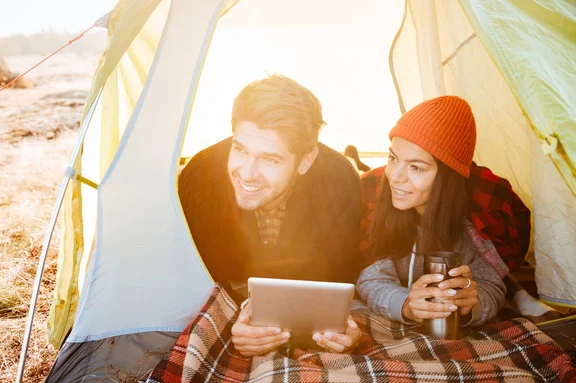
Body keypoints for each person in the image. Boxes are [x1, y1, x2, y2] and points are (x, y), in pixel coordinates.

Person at [178, 75, 363, 355]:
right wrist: (234, 319)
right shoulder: (199, 178)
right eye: (240, 149)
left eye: (270, 159)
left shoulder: (340, 183)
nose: (247, 173)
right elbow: (192, 276)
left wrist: (340, 330)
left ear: (306, 160)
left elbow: (332, 279)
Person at [357, 96, 506, 327]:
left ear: (447, 177)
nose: (395, 177)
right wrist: (406, 304)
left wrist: (472, 304)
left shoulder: (476, 223)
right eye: (393, 158)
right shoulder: (377, 206)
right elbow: (371, 278)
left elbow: (492, 286)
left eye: (416, 167)